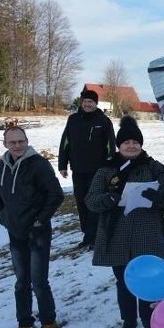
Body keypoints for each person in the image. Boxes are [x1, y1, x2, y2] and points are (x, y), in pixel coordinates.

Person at [85, 116, 164, 328]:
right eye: (126, 142)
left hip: (147, 232)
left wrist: (157, 197)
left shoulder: (154, 168)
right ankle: (128, 320)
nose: (131, 146)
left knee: (148, 280)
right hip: (116, 233)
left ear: (141, 144)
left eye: (135, 142)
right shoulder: (106, 170)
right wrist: (111, 198)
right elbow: (91, 201)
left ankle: (149, 319)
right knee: (124, 280)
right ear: (119, 145)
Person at [0, 127, 64, 328]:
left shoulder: (39, 165)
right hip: (15, 231)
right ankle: (24, 322)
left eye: (21, 141)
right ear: (5, 143)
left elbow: (56, 195)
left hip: (37, 232)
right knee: (21, 280)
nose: (17, 146)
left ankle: (48, 321)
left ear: (26, 141)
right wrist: (3, 217)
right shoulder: (0, 167)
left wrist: (40, 220)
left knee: (38, 280)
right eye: (12, 142)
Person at [58, 89, 116, 250]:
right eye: (85, 102)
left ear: (96, 104)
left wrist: (111, 164)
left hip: (98, 170)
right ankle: (87, 236)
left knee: (95, 203)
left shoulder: (103, 121)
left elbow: (111, 144)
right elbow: (65, 142)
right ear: (81, 103)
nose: (88, 104)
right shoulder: (73, 119)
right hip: (78, 169)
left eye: (91, 102)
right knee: (82, 203)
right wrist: (62, 165)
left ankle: (98, 237)